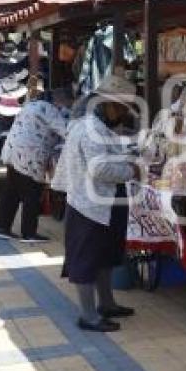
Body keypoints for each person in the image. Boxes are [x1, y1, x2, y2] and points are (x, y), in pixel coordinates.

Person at [51, 75, 139, 332]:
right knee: (87, 259)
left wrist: (128, 157)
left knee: (105, 255)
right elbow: (99, 169)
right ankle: (88, 315)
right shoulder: (90, 128)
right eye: (121, 107)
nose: (123, 113)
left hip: (104, 202)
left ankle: (107, 303)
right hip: (88, 205)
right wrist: (132, 171)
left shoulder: (100, 126)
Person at [0, 87, 72, 242]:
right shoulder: (51, 110)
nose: (66, 107)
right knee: (32, 193)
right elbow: (67, 131)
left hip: (13, 151)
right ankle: (29, 233)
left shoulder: (31, 105)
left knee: (11, 191)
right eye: (66, 104)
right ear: (59, 101)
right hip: (29, 156)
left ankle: (0, 227)